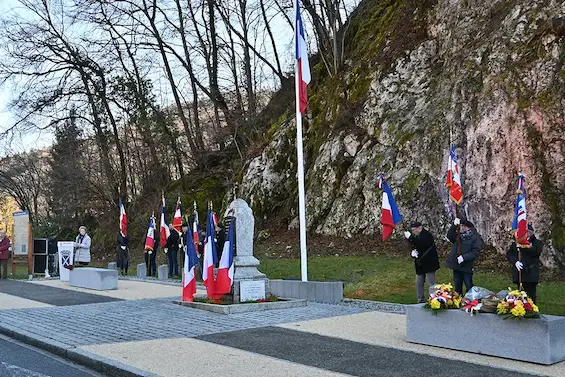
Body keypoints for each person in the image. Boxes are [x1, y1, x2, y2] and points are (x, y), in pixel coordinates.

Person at [404, 221, 440, 303]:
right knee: (418, 282)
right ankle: (420, 300)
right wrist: (412, 252)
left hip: (429, 263)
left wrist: (410, 238)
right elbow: (414, 245)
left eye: (414, 230)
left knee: (431, 283)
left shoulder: (426, 235)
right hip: (420, 263)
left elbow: (422, 244)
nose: (413, 232)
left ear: (419, 228)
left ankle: (434, 300)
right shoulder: (416, 236)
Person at [506, 224, 543, 303]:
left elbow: (535, 251)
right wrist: (515, 261)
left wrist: (523, 246)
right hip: (519, 273)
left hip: (531, 273)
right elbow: (510, 254)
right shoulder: (516, 243)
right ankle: (520, 309)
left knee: (530, 295)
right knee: (520, 294)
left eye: (527, 232)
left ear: (531, 233)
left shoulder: (537, 243)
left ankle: (531, 310)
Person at [446, 218, 483, 295]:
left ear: (467, 227)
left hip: (467, 266)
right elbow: (450, 236)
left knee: (469, 286)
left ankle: (470, 303)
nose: (460, 228)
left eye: (462, 226)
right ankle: (458, 302)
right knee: (457, 287)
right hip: (457, 265)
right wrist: (454, 225)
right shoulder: (459, 236)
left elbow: (475, 252)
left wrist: (464, 257)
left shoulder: (475, 238)